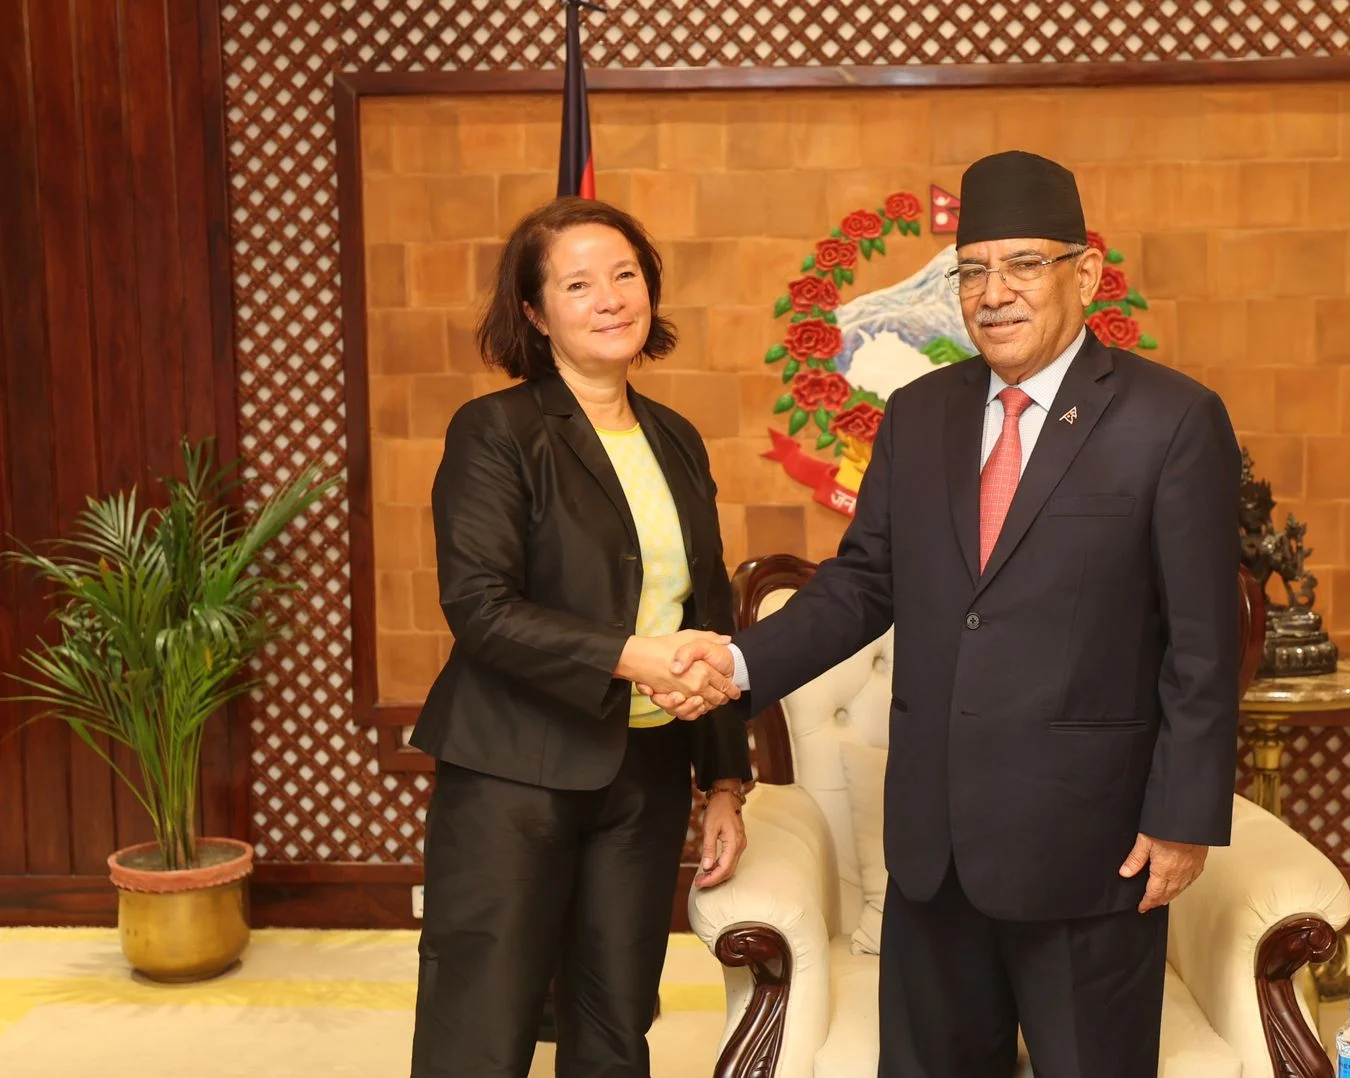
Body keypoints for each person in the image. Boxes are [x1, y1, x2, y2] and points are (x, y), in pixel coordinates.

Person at [656, 151, 1242, 1077]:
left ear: (1086, 273)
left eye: (1023, 265)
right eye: (972, 272)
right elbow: (863, 583)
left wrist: (1183, 817)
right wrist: (735, 665)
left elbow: (1204, 643)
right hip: (935, 854)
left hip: (1090, 851)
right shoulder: (921, 413)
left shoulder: (1170, 419)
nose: (993, 294)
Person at [407, 196, 752, 1078]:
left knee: (615, 1026)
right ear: (534, 312)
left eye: (625, 275)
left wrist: (723, 781)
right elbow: (480, 606)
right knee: (481, 1028)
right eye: (578, 284)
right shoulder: (496, 431)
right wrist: (632, 657)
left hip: (644, 775)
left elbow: (705, 609)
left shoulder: (676, 437)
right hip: (512, 771)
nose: (610, 299)